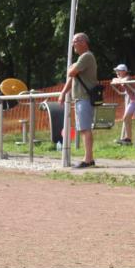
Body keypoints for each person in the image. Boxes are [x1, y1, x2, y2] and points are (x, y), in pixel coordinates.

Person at [58, 32, 97, 168]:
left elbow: (70, 73)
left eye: (75, 41)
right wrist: (63, 93)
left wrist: (71, 68)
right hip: (80, 98)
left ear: (84, 42)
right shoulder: (81, 59)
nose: (73, 44)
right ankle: (88, 158)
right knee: (83, 128)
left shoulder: (86, 56)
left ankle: (88, 160)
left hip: (84, 98)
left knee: (85, 129)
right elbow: (71, 77)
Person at [110, 64, 135, 145]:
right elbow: (114, 80)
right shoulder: (122, 78)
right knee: (125, 118)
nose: (117, 72)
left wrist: (117, 80)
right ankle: (128, 138)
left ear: (125, 71)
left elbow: (120, 81)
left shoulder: (128, 78)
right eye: (116, 71)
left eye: (119, 71)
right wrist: (116, 79)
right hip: (133, 101)